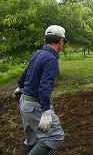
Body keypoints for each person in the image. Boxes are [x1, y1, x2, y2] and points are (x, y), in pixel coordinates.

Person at [13, 25, 65, 155]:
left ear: (44, 41)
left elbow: (26, 73)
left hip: (25, 103)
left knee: (31, 139)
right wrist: (46, 112)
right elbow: (44, 87)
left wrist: (19, 87)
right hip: (35, 105)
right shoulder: (51, 59)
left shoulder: (37, 54)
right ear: (60, 42)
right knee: (56, 136)